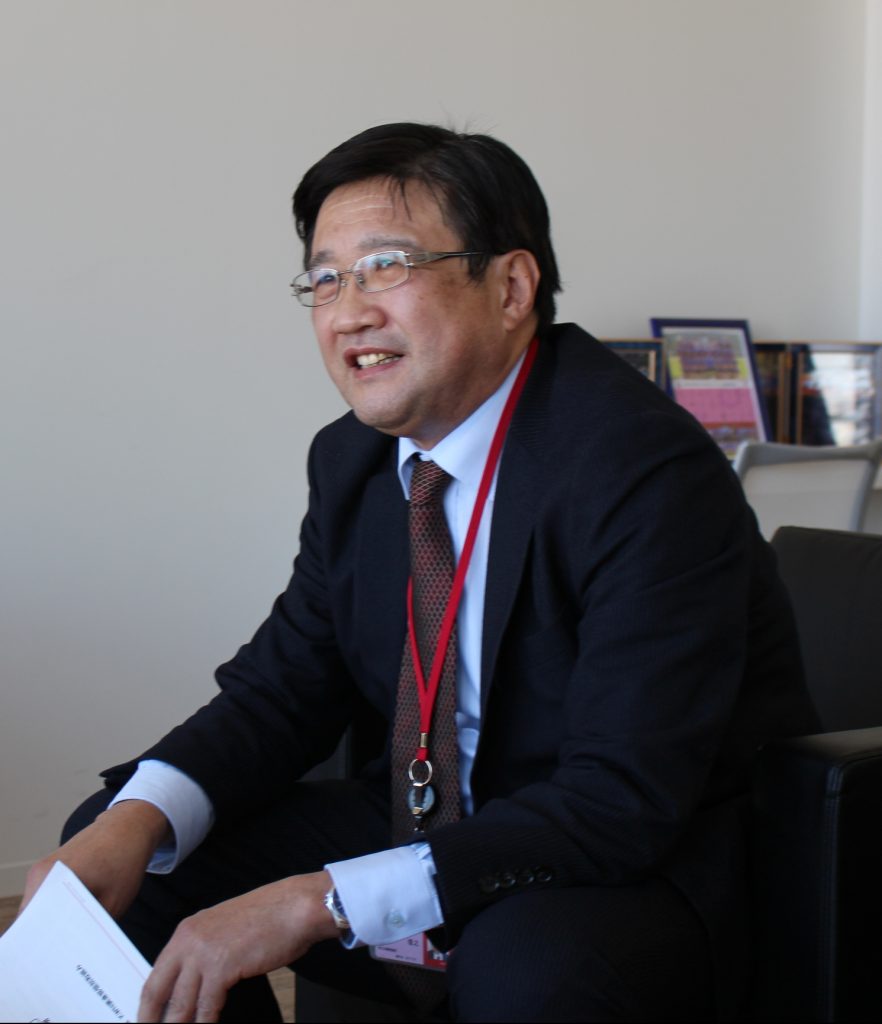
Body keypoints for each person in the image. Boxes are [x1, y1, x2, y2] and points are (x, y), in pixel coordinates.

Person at [22, 122, 817, 1023]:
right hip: (432, 813)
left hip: (626, 858)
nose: (348, 312)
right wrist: (136, 818)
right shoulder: (354, 461)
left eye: (385, 266)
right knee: (122, 860)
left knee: (523, 967)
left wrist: (318, 900)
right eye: (325, 279)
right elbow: (280, 692)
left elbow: (620, 797)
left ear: (511, 287)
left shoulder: (640, 468)